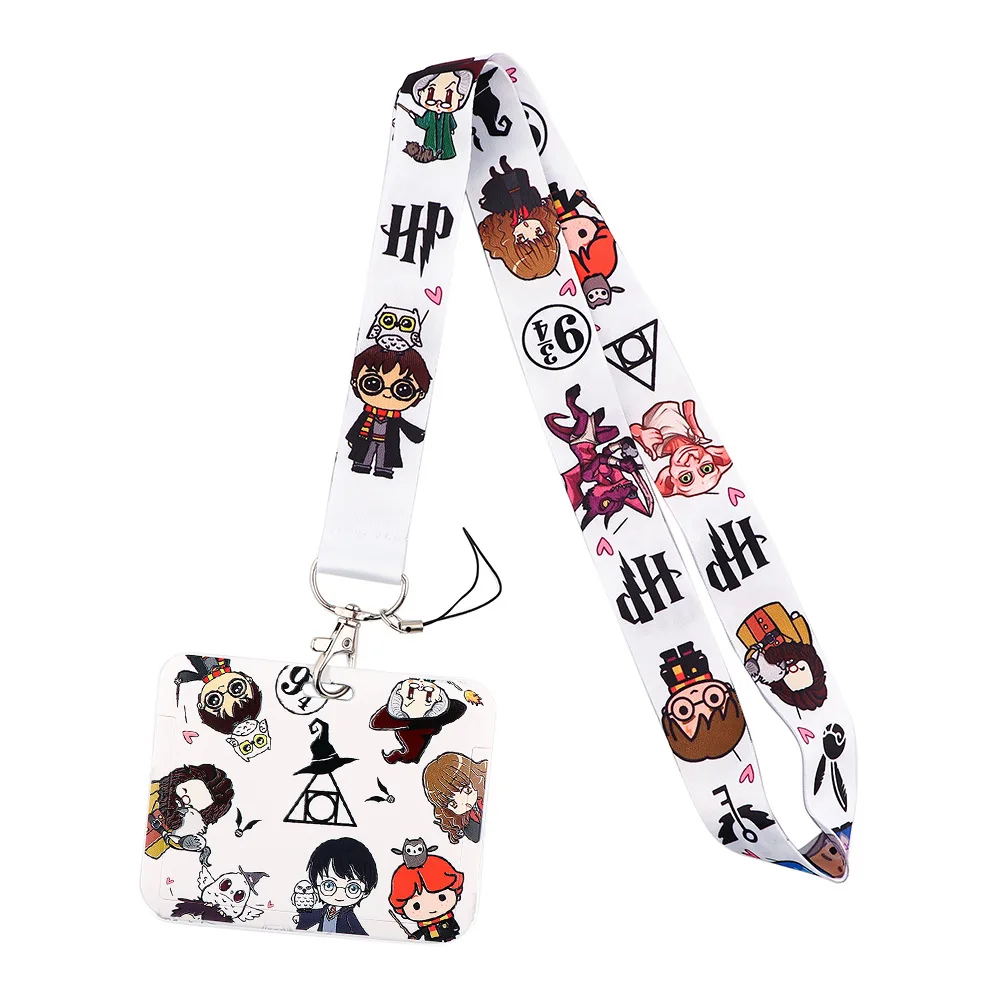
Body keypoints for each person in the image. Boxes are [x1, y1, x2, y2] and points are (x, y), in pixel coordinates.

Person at [292, 837, 378, 934]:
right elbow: (315, 915)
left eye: (353, 888)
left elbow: (359, 931)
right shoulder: (326, 910)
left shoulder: (348, 916)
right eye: (329, 885)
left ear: (365, 892)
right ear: (316, 885)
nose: (340, 894)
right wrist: (301, 917)